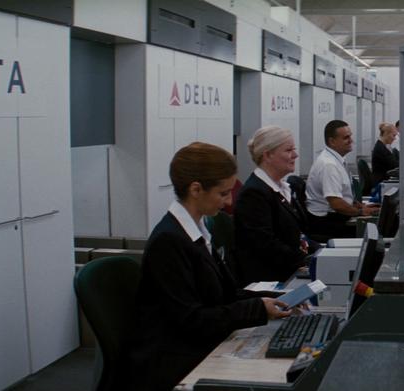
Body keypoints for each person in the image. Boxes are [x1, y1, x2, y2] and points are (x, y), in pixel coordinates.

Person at [121, 142, 293, 390]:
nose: (229, 200)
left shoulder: (198, 231)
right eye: (223, 193)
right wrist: (257, 308)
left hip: (196, 342)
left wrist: (272, 298)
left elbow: (224, 295)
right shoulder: (169, 241)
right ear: (196, 189)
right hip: (174, 359)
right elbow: (192, 319)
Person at [234, 126, 315, 283]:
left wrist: (321, 252)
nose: (295, 155)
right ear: (268, 155)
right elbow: (266, 246)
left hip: (289, 269)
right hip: (272, 279)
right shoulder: (253, 194)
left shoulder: (280, 188)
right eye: (288, 150)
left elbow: (297, 237)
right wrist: (308, 260)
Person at [306, 120, 379, 239]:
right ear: (332, 141)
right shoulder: (329, 165)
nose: (351, 140)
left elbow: (343, 193)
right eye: (346, 137)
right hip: (328, 223)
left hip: (335, 217)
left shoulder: (335, 160)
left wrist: (359, 206)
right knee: (375, 230)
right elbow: (336, 204)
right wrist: (360, 212)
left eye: (350, 136)